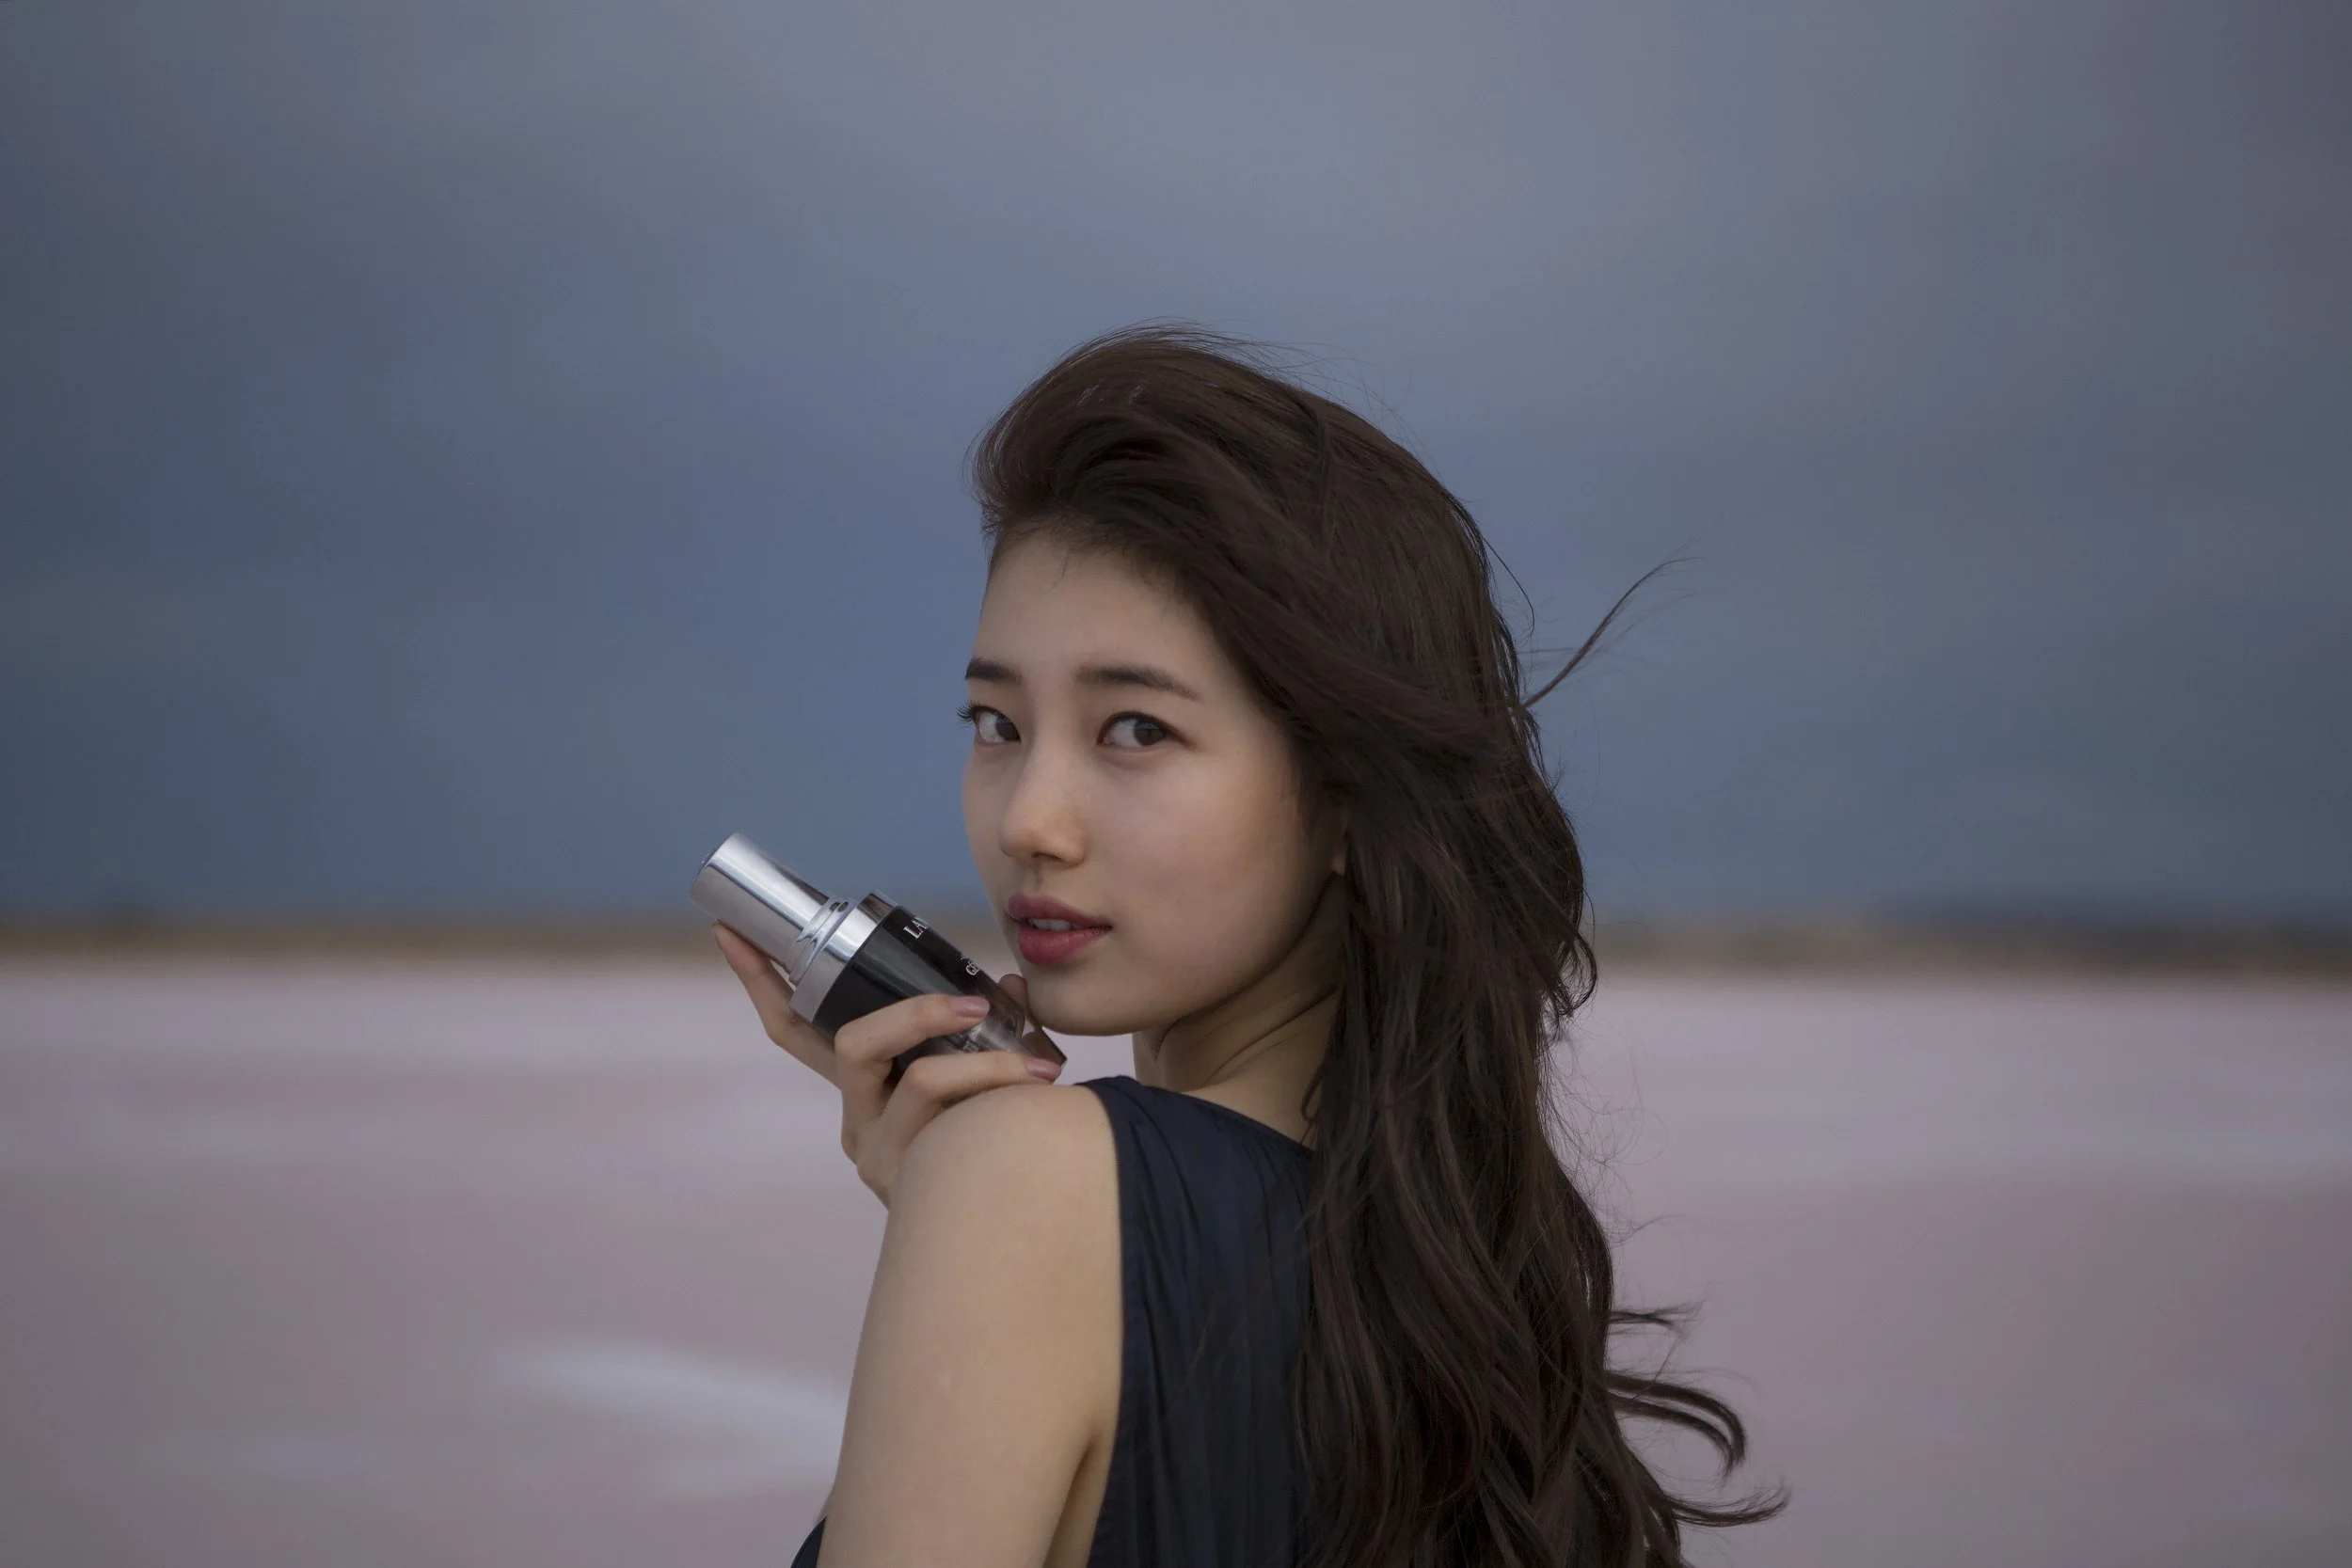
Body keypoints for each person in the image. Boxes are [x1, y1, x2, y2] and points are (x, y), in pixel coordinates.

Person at [714, 325, 1788, 1566]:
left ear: (1344, 790)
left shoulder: (1033, 1186)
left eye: (1134, 729)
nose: (1028, 819)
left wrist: (986, 1224)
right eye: (995, 720)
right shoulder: (1464, 1295)